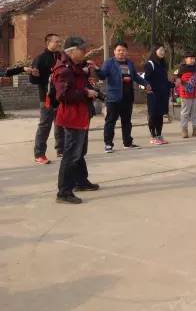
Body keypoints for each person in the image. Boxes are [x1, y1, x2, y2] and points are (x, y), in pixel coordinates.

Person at [53, 37, 100, 204]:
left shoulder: (75, 67)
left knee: (79, 152)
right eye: (82, 49)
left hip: (81, 114)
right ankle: (64, 192)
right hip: (72, 116)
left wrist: (90, 89)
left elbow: (79, 85)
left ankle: (81, 181)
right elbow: (63, 95)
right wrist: (86, 93)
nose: (85, 52)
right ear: (71, 51)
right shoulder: (64, 70)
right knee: (71, 154)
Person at [96, 42, 150, 153]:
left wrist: (145, 84)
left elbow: (135, 77)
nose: (121, 52)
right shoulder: (109, 63)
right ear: (114, 51)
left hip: (127, 97)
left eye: (124, 50)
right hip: (113, 98)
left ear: (126, 52)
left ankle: (127, 143)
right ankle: (108, 144)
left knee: (127, 121)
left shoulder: (129, 63)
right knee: (110, 121)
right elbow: (102, 75)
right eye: (119, 50)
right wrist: (97, 69)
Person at [30, 33, 64, 164]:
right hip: (47, 98)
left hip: (61, 97)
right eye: (56, 41)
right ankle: (39, 154)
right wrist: (34, 75)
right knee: (45, 125)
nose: (59, 44)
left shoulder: (62, 57)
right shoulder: (40, 59)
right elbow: (33, 80)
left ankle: (61, 150)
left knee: (60, 124)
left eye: (59, 42)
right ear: (48, 42)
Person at [143, 45, 174, 145]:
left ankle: (159, 135)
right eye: (160, 50)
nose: (162, 52)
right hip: (153, 94)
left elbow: (164, 81)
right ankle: (153, 136)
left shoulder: (163, 64)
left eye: (163, 50)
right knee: (153, 115)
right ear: (154, 51)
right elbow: (146, 79)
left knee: (160, 115)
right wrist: (148, 88)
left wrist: (173, 84)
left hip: (163, 94)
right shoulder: (150, 64)